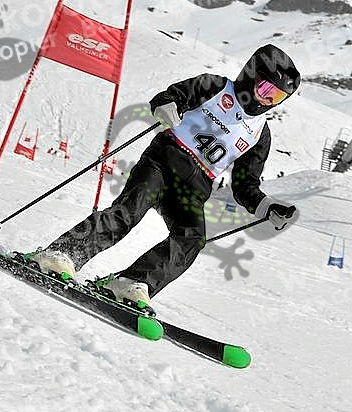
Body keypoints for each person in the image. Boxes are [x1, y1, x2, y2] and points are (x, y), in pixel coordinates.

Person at [27, 44, 301, 305]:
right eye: (265, 88)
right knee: (128, 212)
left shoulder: (260, 134)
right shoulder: (215, 88)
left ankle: (131, 283)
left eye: (276, 97)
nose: (267, 100)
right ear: (250, 75)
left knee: (191, 239)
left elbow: (245, 185)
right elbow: (170, 96)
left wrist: (267, 206)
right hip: (161, 163)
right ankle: (62, 253)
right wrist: (167, 106)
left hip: (193, 188)